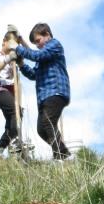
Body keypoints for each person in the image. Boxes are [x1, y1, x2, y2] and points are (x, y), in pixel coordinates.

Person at [15, 23, 71, 160]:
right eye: (35, 44)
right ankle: (63, 152)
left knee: (48, 122)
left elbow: (36, 55)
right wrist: (21, 64)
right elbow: (34, 75)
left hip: (55, 91)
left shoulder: (54, 45)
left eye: (38, 41)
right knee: (41, 129)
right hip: (44, 97)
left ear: (47, 34)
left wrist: (16, 48)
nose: (38, 45)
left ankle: (59, 157)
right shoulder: (42, 56)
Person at [0, 36, 21, 156]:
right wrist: (7, 59)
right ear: (4, 42)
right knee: (15, 110)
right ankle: (14, 141)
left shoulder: (15, 58)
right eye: (11, 42)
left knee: (13, 121)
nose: (13, 45)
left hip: (11, 92)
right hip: (0, 90)